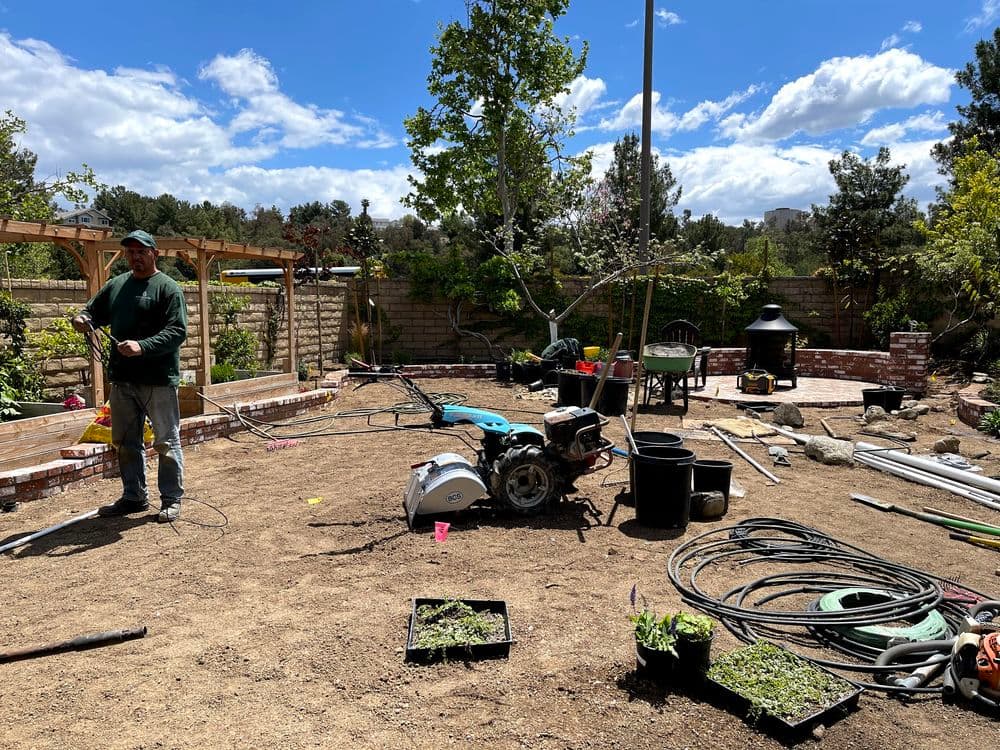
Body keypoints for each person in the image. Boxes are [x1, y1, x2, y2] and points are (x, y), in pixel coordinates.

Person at [72, 230, 188, 522]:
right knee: (125, 442)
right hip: (123, 379)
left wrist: (142, 346)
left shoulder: (167, 288)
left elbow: (177, 332)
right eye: (130, 252)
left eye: (141, 251)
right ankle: (134, 497)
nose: (135, 257)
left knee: (165, 441)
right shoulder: (116, 286)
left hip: (158, 379)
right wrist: (82, 320)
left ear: (154, 253)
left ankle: (171, 500)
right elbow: (92, 312)